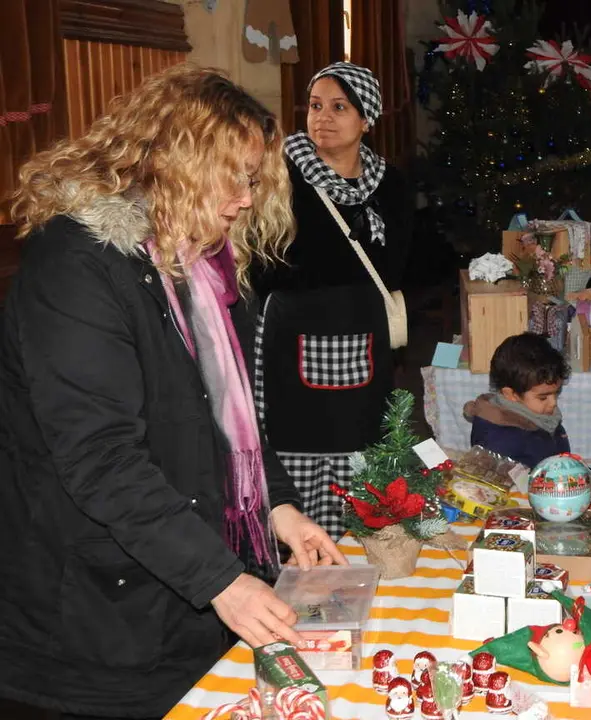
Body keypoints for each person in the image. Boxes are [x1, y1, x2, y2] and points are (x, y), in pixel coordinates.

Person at [0, 65, 347, 720]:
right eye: (234, 177)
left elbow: (227, 421)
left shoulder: (201, 265)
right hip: (89, 616)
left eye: (253, 180)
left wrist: (278, 507)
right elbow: (101, 458)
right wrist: (220, 581)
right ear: (176, 164)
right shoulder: (75, 266)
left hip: (174, 583)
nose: (246, 199)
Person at [252, 62, 414, 539]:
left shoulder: (391, 185)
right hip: (292, 336)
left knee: (361, 441)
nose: (322, 118)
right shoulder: (278, 177)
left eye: (339, 107)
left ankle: (359, 543)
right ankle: (296, 544)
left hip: (364, 336)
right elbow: (262, 260)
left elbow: (397, 265)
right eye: (315, 106)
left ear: (366, 119)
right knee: (294, 441)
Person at [463, 333, 571, 469]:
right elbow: (495, 480)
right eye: (543, 397)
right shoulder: (498, 440)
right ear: (510, 394)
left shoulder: (542, 417)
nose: (553, 403)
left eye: (556, 393)